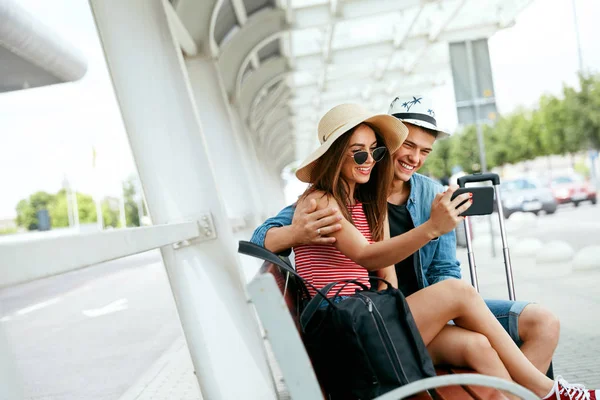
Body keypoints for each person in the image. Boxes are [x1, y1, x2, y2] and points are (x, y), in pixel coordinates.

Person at [251, 103, 598, 400]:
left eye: (376, 151)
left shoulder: (370, 202)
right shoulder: (320, 202)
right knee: (457, 293)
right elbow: (369, 257)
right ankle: (547, 390)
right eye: (359, 152)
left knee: (477, 345)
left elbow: (390, 275)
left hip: (376, 318)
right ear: (334, 155)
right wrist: (432, 228)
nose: (369, 159)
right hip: (351, 332)